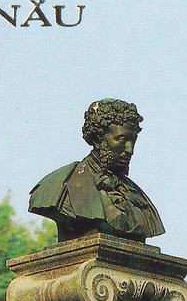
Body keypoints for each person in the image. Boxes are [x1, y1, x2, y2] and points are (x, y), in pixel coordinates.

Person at [29, 98, 165, 243]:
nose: (129, 150)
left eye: (133, 140)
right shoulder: (57, 187)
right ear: (98, 139)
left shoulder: (138, 196)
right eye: (121, 139)